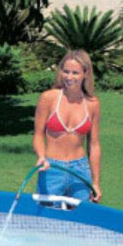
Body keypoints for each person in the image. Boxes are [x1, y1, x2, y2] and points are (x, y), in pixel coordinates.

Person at [33, 49, 102, 203]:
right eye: (66, 71)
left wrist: (96, 182)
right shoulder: (48, 98)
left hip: (80, 170)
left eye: (75, 73)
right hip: (51, 168)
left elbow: (94, 145)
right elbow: (38, 135)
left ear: (85, 74)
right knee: (48, 216)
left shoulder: (92, 104)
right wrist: (41, 156)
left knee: (81, 216)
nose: (69, 77)